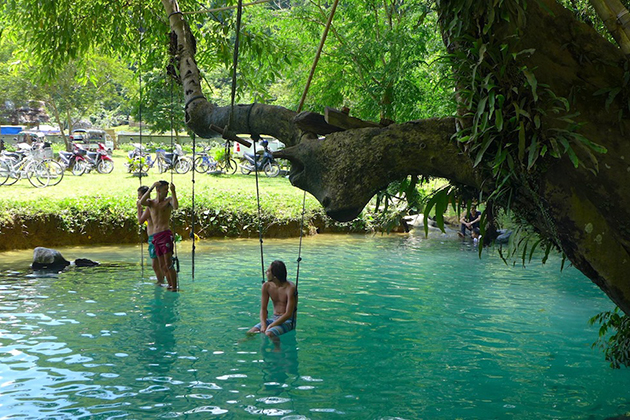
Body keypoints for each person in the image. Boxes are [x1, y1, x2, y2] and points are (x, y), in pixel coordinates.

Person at [139, 180, 179, 291]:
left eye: (167, 189)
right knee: (162, 265)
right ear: (158, 190)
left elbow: (175, 207)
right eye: (164, 189)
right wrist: (151, 187)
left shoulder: (168, 201)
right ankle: (169, 285)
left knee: (168, 263)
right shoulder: (151, 203)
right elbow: (141, 202)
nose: (166, 192)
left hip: (165, 234)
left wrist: (173, 192)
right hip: (155, 236)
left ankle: (174, 287)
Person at [248, 260, 297, 344]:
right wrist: (263, 324)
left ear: (275, 275)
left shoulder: (290, 288)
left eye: (268, 271)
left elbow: (289, 313)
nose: (266, 272)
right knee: (251, 332)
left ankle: (277, 348)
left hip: (288, 321)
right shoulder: (266, 286)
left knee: (269, 333)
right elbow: (263, 309)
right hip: (273, 318)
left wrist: (271, 325)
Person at [137, 185, 165, 285]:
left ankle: (160, 281)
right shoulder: (151, 205)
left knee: (155, 263)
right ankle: (161, 278)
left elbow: (140, 221)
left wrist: (138, 208)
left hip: (154, 236)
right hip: (154, 237)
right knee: (158, 261)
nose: (138, 198)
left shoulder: (150, 207)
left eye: (140, 196)